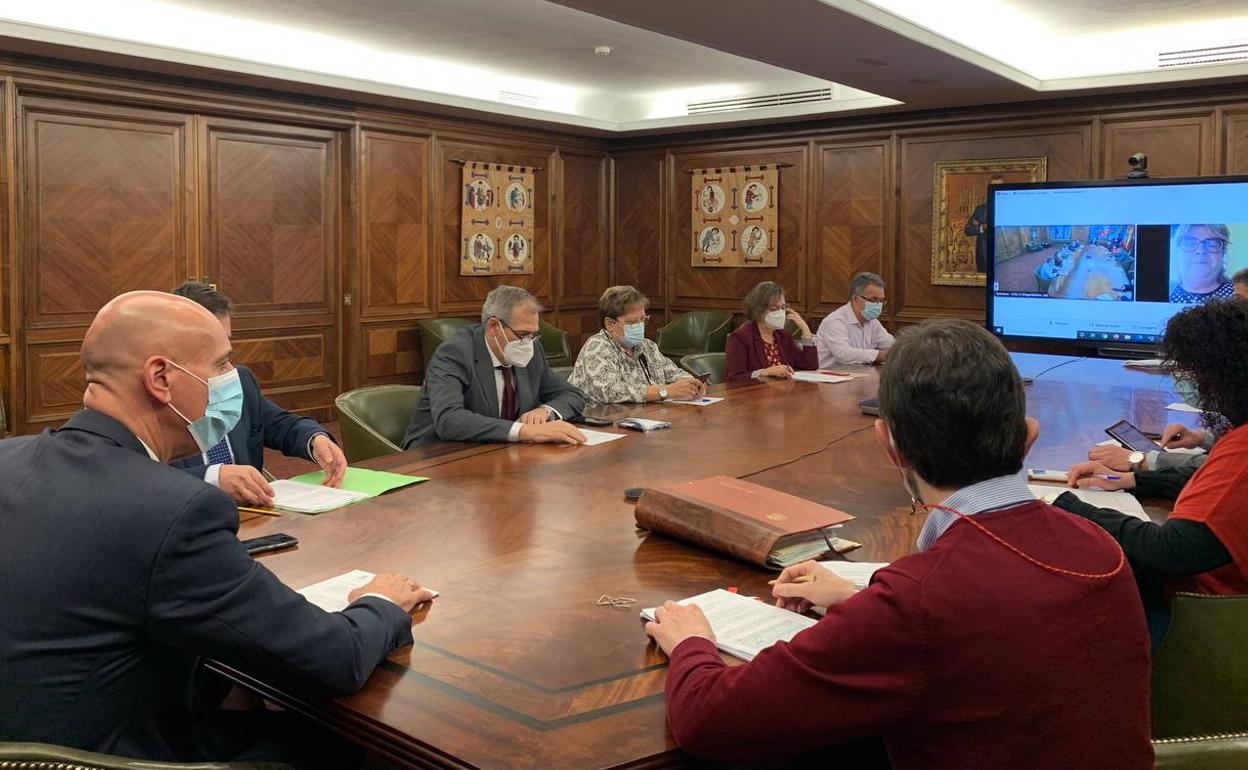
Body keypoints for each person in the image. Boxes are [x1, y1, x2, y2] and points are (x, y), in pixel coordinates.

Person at [645, 319, 1152, 770]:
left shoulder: (917, 603)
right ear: (1029, 437)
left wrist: (692, 641)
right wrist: (862, 600)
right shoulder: (1099, 545)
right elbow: (991, 626)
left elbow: (710, 722)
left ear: (889, 445)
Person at [0, 291, 433, 767]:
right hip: (123, 756)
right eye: (222, 365)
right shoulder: (173, 510)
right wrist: (381, 603)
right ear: (161, 378)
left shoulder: (10, 459)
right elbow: (334, 660)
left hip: (34, 739)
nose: (233, 380)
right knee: (339, 737)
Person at [1054, 299, 1248, 643]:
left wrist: (1070, 507)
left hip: (1207, 625)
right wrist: (1133, 479)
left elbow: (1170, 551)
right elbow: (1210, 485)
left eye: (1195, 374)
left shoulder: (1241, 451)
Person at [169, 282, 346, 507]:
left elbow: (280, 423)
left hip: (254, 515)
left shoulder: (238, 380)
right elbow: (140, 480)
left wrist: (315, 440)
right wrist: (213, 477)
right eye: (215, 346)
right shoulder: (154, 403)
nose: (229, 364)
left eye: (228, 341)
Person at [401, 285, 586, 448]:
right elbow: (449, 420)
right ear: (493, 327)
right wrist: (525, 431)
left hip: (497, 452)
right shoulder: (454, 353)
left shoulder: (532, 350)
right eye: (522, 334)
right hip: (436, 457)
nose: (528, 343)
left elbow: (572, 394)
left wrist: (545, 411)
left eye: (533, 335)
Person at [569, 286, 706, 407]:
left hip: (644, 417)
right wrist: (665, 391)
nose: (639, 326)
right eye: (632, 322)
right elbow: (610, 392)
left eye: (643, 320)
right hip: (599, 422)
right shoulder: (597, 347)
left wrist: (691, 384)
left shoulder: (648, 346)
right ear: (610, 324)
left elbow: (673, 373)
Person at [723, 281, 818, 382]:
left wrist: (805, 329)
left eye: (783, 307)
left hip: (784, 393)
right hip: (755, 394)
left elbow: (810, 366)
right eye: (774, 308)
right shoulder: (740, 338)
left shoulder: (783, 336)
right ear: (758, 310)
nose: (781, 313)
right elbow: (733, 378)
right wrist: (764, 372)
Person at [814, 272, 895, 366]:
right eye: (873, 300)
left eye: (881, 301)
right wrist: (882, 355)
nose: (878, 305)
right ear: (855, 299)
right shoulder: (835, 321)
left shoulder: (872, 322)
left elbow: (890, 344)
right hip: (829, 377)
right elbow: (844, 354)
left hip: (860, 375)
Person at [1169, 223, 1236, 303]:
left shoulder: (1240, 295)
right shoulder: (1166, 293)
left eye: (1212, 244)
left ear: (1223, 253)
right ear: (1177, 252)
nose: (1201, 251)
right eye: (1189, 242)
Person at [964, 174, 1005, 273]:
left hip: (1007, 254)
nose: (997, 189)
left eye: (1001, 187)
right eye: (994, 187)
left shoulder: (1015, 207)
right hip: (984, 258)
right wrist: (982, 227)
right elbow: (968, 229)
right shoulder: (980, 210)